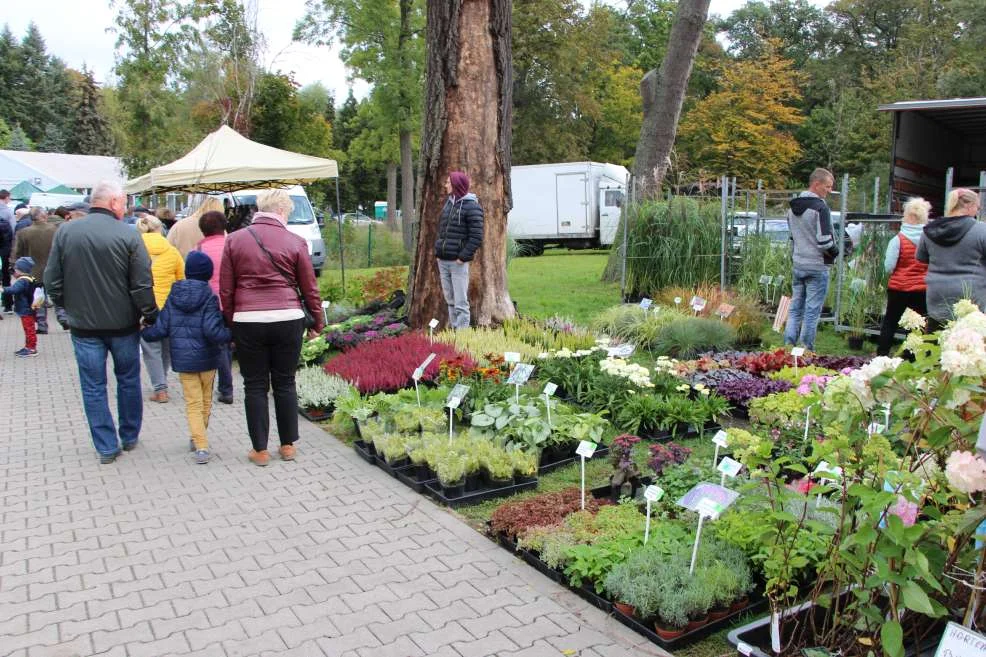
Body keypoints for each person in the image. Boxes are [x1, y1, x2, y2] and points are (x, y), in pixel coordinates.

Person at [44, 179, 158, 464]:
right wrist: (150, 313)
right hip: (123, 325)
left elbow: (51, 278)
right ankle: (129, 435)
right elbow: (142, 283)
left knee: (93, 386)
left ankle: (106, 445)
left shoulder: (66, 232)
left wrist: (63, 308)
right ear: (114, 203)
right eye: (124, 203)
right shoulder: (129, 235)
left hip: (83, 326)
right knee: (128, 379)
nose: (125, 208)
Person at [220, 188, 324, 466]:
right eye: (288, 212)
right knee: (285, 382)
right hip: (288, 316)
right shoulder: (295, 241)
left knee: (254, 385)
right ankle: (288, 445)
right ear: (281, 211)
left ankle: (260, 450)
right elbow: (309, 287)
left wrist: (232, 321)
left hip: (248, 318)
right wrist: (318, 320)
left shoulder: (234, 240)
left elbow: (226, 289)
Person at [141, 251, 231, 465]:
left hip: (183, 361)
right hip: (208, 358)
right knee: (206, 400)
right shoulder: (210, 297)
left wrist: (143, 333)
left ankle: (200, 444)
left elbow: (161, 328)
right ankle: (199, 437)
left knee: (192, 402)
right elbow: (212, 331)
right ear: (208, 274)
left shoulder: (174, 296)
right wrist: (231, 335)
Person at [784, 167, 843, 351]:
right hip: (817, 266)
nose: (829, 191)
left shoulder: (792, 208)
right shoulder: (820, 208)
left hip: (798, 264)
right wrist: (837, 252)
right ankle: (806, 350)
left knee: (795, 309)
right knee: (811, 312)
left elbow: (792, 237)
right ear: (816, 184)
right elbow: (824, 241)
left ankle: (788, 347)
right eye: (827, 187)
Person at [916, 188, 986, 330]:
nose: (977, 211)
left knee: (935, 343)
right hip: (971, 298)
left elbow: (920, 258)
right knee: (969, 346)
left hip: (936, 295)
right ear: (968, 206)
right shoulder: (981, 230)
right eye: (977, 207)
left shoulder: (929, 230)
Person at [137, 215, 185, 403]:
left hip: (145, 306)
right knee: (165, 347)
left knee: (151, 349)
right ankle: (162, 383)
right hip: (170, 307)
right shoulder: (172, 252)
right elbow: (182, 280)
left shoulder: (133, 251)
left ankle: (160, 388)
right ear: (160, 230)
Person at [877, 197, 931, 355]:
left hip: (899, 289)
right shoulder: (928, 240)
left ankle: (882, 355)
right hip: (921, 289)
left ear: (909, 216)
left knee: (890, 322)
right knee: (917, 324)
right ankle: (911, 357)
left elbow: (889, 267)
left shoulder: (897, 240)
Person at [434, 170, 484, 329]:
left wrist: (462, 257)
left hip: (457, 263)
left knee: (460, 301)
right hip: (443, 260)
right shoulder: (449, 203)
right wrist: (438, 253)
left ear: (456, 185)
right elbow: (442, 230)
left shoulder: (472, 207)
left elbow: (476, 237)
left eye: (448, 182)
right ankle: (455, 330)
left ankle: (462, 336)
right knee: (450, 299)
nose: (445, 185)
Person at [197, 210, 234, 404]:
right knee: (227, 345)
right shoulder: (233, 244)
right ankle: (226, 388)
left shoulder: (199, 250)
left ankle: (225, 389)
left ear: (203, 230)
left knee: (218, 346)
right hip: (232, 301)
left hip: (210, 304)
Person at [13, 204, 58, 334]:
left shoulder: (23, 233)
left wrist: (16, 268)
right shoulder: (54, 230)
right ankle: (63, 316)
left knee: (38, 298)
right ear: (44, 216)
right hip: (53, 269)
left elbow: (18, 252)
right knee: (58, 295)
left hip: (33, 271)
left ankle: (42, 324)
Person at [3, 256, 40, 357]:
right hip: (29, 308)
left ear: (20, 270)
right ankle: (28, 346)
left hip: (25, 309)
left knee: (29, 329)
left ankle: (31, 348)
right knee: (29, 328)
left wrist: (3, 289)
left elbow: (14, 289)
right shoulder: (30, 278)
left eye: (16, 269)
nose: (14, 271)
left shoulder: (22, 281)